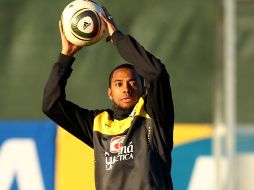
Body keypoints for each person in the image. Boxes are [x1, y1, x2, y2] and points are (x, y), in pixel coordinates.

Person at [42, 6, 174, 190]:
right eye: (118, 84)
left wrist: (117, 38)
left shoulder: (154, 113)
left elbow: (156, 73)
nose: (126, 89)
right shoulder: (98, 124)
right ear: (110, 92)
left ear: (143, 88)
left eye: (133, 83)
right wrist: (65, 57)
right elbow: (51, 105)